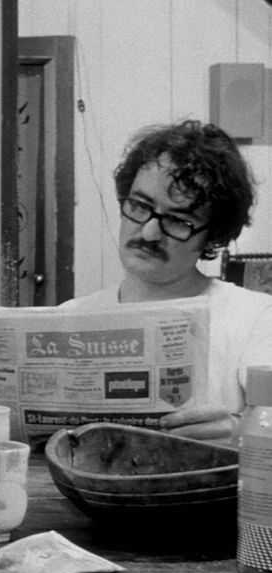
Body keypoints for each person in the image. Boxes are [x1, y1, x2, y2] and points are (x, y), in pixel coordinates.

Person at [61, 120, 272, 444]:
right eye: (139, 206)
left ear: (213, 236)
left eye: (177, 221)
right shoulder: (70, 316)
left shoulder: (256, 319)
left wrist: (238, 430)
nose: (148, 233)